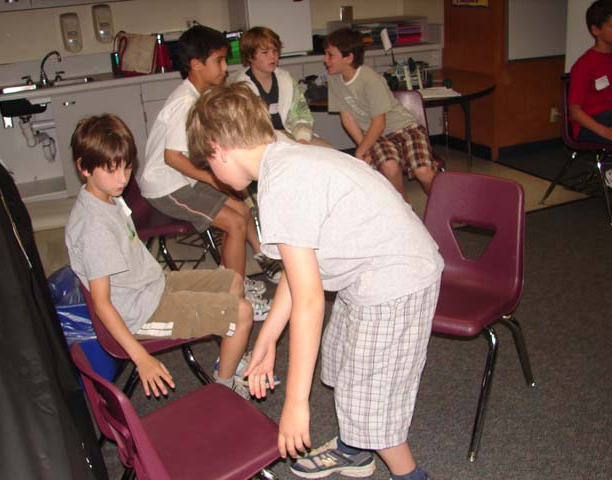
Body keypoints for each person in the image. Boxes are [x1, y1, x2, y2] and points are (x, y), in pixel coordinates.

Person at [186, 83, 444, 480]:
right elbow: (296, 273)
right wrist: (268, 337)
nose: (213, 176)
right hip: (369, 269)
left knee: (370, 402)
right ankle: (354, 449)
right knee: (340, 360)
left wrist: (295, 402)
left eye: (208, 165)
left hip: (395, 279)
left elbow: (309, 300)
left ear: (218, 149)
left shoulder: (282, 183)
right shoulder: (282, 154)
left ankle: (409, 474)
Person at [65, 114, 254, 399]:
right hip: (140, 313)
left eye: (127, 167)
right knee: (242, 314)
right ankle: (225, 392)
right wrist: (141, 358)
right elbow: (103, 304)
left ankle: (228, 359)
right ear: (84, 168)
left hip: (153, 285)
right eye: (111, 170)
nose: (122, 179)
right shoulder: (94, 228)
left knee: (234, 282)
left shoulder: (107, 196)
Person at [137, 25, 280, 314]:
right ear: (196, 64)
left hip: (182, 180)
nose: (225, 68)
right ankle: (235, 298)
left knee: (241, 209)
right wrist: (213, 180)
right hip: (166, 186)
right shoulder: (185, 103)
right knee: (234, 223)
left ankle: (236, 279)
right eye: (219, 61)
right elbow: (172, 158)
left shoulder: (198, 95)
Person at [324, 28, 437, 200]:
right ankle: (404, 209)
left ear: (348, 58)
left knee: (423, 171)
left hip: (405, 128)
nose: (325, 60)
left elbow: (379, 123)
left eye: (330, 55)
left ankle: (442, 205)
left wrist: (360, 151)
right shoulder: (334, 79)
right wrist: (364, 147)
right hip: (377, 137)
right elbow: (347, 118)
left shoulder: (370, 79)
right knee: (389, 167)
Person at [229, 26, 332, 147]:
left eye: (275, 51)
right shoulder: (240, 87)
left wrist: (302, 139)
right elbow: (243, 128)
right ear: (250, 56)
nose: (272, 56)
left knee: (328, 149)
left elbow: (301, 114)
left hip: (290, 134)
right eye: (265, 52)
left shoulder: (286, 79)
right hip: (260, 142)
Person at [569, 0, 612, 144]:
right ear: (596, 30)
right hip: (592, 125)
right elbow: (575, 112)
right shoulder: (584, 65)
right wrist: (606, 132)